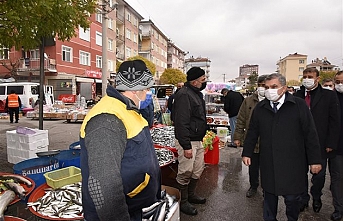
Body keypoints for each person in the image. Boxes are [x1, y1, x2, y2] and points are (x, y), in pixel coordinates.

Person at [79, 60, 161, 221]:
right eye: (147, 89)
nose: (147, 93)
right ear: (136, 89)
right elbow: (103, 185)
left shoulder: (127, 108)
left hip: (132, 205)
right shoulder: (107, 120)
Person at [242, 73, 322, 221]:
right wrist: (247, 153)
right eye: (266, 87)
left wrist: (315, 160)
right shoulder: (261, 108)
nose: (269, 90)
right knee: (269, 199)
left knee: (292, 200)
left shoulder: (298, 105)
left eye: (274, 87)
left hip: (293, 162)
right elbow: (252, 132)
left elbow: (310, 134)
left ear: (284, 88)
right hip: (269, 161)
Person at [294, 67, 341, 217]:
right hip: (300, 143)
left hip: (320, 143)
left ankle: (316, 196)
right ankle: (303, 198)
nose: (307, 78)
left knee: (319, 176)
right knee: (300, 174)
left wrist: (331, 143)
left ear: (317, 78)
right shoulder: (298, 95)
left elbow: (334, 121)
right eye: (304, 76)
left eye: (310, 76)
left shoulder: (328, 95)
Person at [173, 67, 208, 216]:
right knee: (185, 171)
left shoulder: (196, 94)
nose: (204, 82)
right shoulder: (184, 95)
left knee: (197, 170)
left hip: (197, 140)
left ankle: (191, 195)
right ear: (194, 82)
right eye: (202, 79)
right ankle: (183, 201)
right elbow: (181, 122)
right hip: (188, 142)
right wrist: (186, 146)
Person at [233, 75, 267, 198]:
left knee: (267, 167)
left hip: (267, 142)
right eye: (260, 85)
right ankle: (253, 186)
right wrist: (237, 137)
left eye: (265, 85)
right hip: (252, 140)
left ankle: (266, 189)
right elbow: (241, 119)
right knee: (252, 166)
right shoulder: (248, 101)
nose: (262, 88)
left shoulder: (273, 100)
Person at [332, 70, 343, 221]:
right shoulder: (332, 98)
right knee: (338, 178)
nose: (340, 85)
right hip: (338, 147)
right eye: (338, 82)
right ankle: (339, 208)